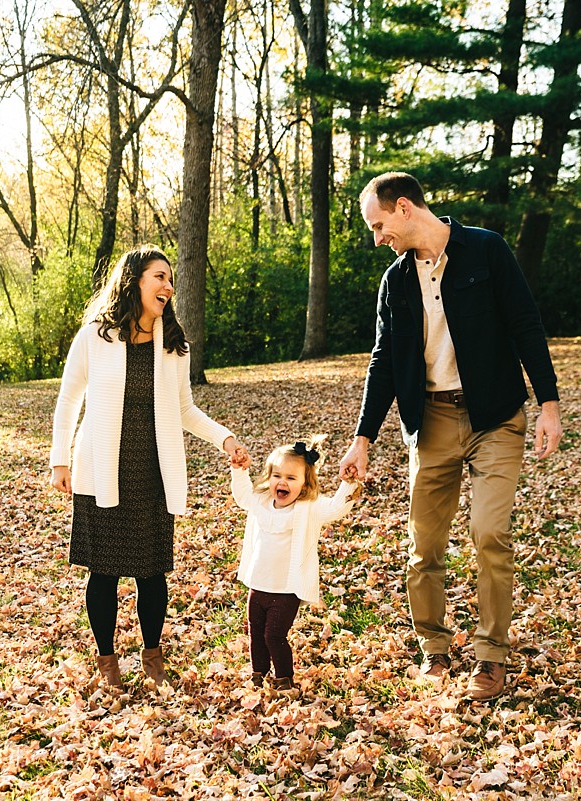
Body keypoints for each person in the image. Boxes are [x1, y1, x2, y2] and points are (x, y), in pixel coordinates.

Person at [339, 172, 563, 702]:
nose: (377, 238)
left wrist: (548, 406)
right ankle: (434, 647)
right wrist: (363, 437)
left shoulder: (486, 251)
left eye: (378, 225)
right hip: (431, 422)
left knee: (489, 533)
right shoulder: (395, 283)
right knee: (425, 546)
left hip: (496, 418)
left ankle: (490, 657)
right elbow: (383, 362)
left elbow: (526, 325)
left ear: (404, 209)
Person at [49, 245, 250, 691]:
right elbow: (68, 400)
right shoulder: (94, 337)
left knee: (151, 571)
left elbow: (184, 409)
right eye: (159, 276)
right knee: (102, 571)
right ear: (134, 280)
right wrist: (59, 459)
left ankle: (152, 654)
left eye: (170, 278)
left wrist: (225, 438)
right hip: (101, 467)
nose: (168, 285)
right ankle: (106, 659)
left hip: (152, 470)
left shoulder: (174, 344)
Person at [231, 437, 361, 694]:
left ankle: (284, 679)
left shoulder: (307, 508)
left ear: (304, 485)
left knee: (273, 636)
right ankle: (258, 674)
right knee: (256, 635)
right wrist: (239, 469)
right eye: (277, 475)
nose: (282, 482)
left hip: (286, 589)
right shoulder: (260, 501)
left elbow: (336, 509)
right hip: (259, 585)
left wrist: (348, 484)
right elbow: (242, 495)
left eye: (291, 478)